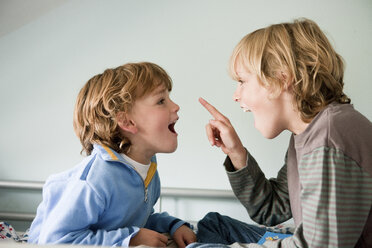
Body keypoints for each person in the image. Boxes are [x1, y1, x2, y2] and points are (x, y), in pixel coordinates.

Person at [194, 18, 372, 247]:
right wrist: (236, 153)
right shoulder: (311, 133)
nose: (236, 96)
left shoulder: (328, 138)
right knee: (213, 225)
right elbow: (271, 208)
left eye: (242, 81)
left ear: (282, 78)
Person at [28, 62, 196, 247]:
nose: (176, 106)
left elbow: (132, 220)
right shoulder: (95, 180)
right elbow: (55, 240)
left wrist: (172, 225)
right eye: (161, 101)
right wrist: (131, 238)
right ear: (126, 121)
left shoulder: (146, 167)